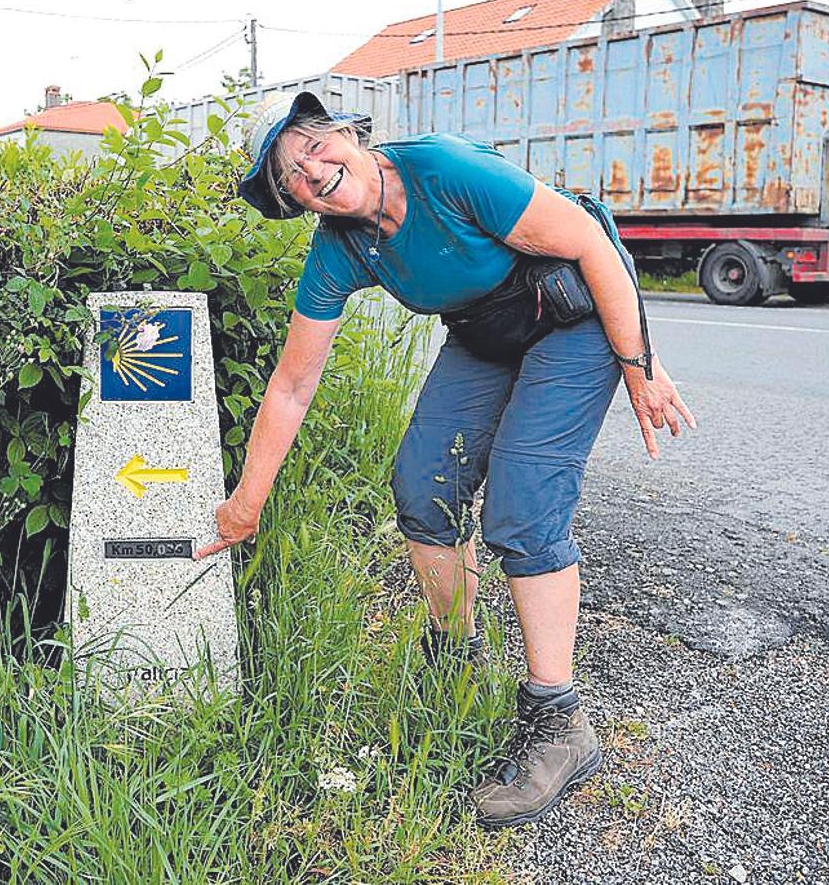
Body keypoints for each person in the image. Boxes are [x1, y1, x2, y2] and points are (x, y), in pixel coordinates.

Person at [193, 91, 696, 829]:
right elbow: (294, 381)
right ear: (295, 203)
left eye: (311, 149)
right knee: (423, 485)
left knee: (523, 502)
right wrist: (248, 499)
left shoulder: (444, 169)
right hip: (485, 331)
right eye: (290, 180)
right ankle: (455, 657)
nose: (311, 175)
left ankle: (560, 724)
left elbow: (589, 242)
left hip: (575, 310)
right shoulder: (340, 247)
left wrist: (638, 363)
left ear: (344, 133)